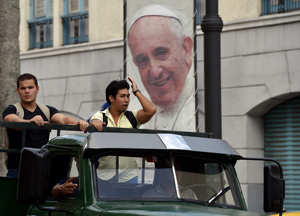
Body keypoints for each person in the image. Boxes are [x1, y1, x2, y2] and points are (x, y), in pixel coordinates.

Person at [2, 73, 89, 177]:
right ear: (18, 91)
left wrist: (77, 122)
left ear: (37, 89)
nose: (27, 91)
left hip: (42, 167)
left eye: (30, 87)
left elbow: (64, 119)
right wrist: (29, 122)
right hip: (18, 169)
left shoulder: (47, 110)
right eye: (23, 88)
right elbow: (11, 120)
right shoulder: (12, 109)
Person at [128, 4, 196, 132]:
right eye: (142, 60)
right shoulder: (132, 113)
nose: (154, 72)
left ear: (186, 49)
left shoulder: (206, 107)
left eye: (161, 53)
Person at [90, 77, 156, 183]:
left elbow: (151, 110)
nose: (127, 100)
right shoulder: (101, 116)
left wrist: (136, 91)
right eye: (122, 96)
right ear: (111, 98)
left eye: (128, 96)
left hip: (129, 177)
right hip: (104, 176)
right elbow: (95, 121)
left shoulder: (132, 116)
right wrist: (95, 123)